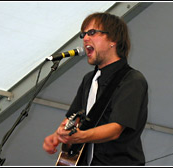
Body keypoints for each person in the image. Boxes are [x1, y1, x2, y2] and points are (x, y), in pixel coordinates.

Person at [43, 12, 148, 166]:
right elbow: (74, 117)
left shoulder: (132, 80)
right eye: (83, 34)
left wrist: (81, 136)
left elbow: (115, 129)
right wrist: (58, 135)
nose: (85, 38)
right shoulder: (89, 80)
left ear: (113, 40)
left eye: (92, 33)